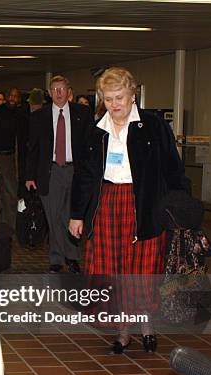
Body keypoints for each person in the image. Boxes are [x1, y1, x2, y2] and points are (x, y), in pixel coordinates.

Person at [69, 67, 189, 354]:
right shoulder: (96, 129)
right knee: (112, 268)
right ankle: (123, 332)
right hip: (108, 203)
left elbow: (173, 169)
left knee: (143, 270)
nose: (114, 104)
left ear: (133, 95)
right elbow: (85, 175)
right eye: (109, 99)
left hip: (144, 205)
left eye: (119, 97)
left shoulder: (153, 125)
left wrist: (183, 209)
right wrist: (77, 214)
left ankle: (146, 326)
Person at [25, 76, 93, 273]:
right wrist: (29, 176)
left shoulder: (82, 113)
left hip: (75, 171)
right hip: (50, 172)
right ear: (49, 93)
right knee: (53, 217)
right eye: (54, 89)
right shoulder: (39, 116)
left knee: (72, 215)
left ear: (68, 91)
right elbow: (32, 149)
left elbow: (89, 144)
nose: (59, 93)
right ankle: (56, 258)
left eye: (62, 89)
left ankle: (72, 257)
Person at [0, 87, 28, 231]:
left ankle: (10, 227)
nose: (12, 99)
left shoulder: (21, 116)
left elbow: (23, 142)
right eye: (10, 96)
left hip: (12, 159)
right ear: (6, 97)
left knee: (10, 195)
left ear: (18, 99)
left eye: (15, 97)